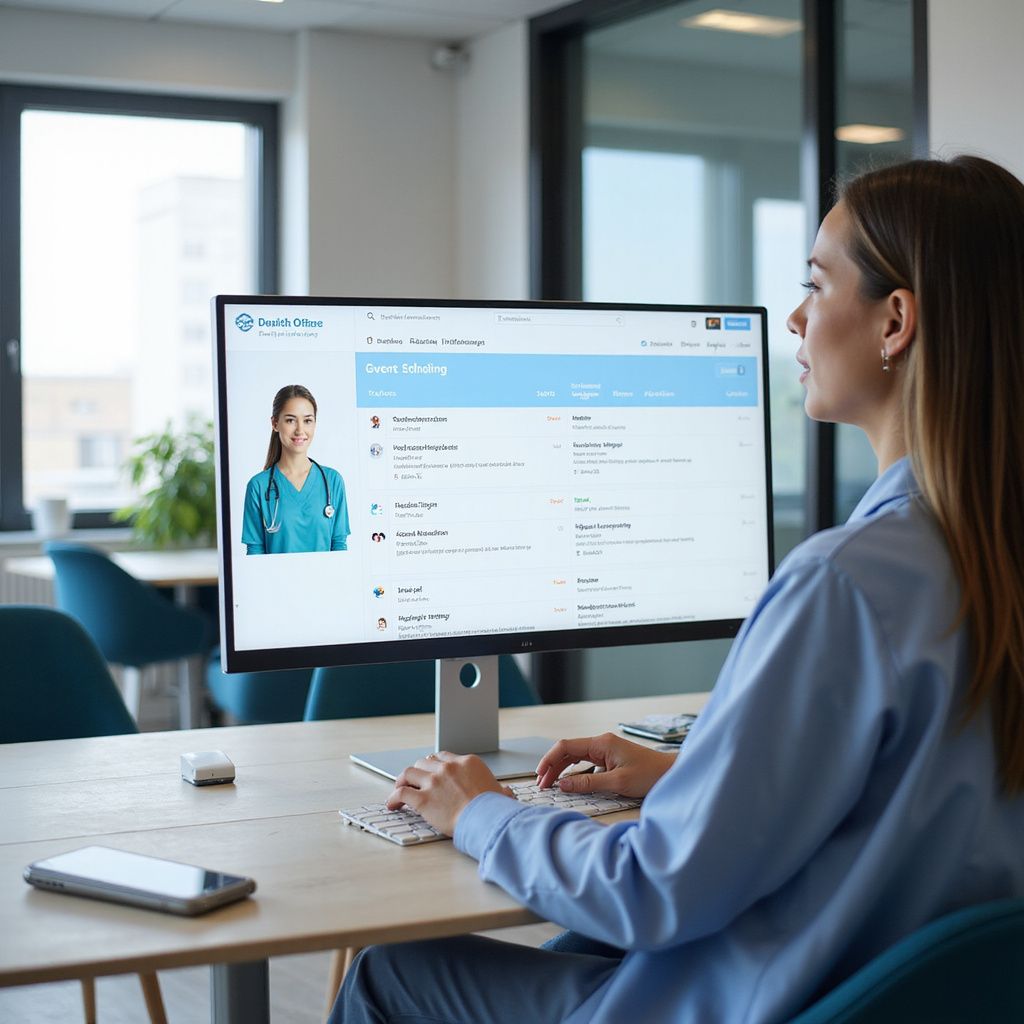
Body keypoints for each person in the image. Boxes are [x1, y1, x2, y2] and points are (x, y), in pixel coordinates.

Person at [330, 156, 1024, 1024]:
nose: (798, 319)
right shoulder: (989, 562)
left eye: (816, 284)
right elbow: (919, 817)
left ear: (895, 322)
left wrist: (482, 815)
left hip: (760, 1001)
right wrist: (692, 779)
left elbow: (652, 892)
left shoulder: (844, 586)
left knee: (391, 973)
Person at [242, 385, 350, 555]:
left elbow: (339, 546)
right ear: (275, 423)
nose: (300, 430)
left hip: (326, 581)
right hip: (276, 582)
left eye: (307, 420)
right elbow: (255, 554)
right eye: (290, 420)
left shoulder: (332, 481)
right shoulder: (258, 486)